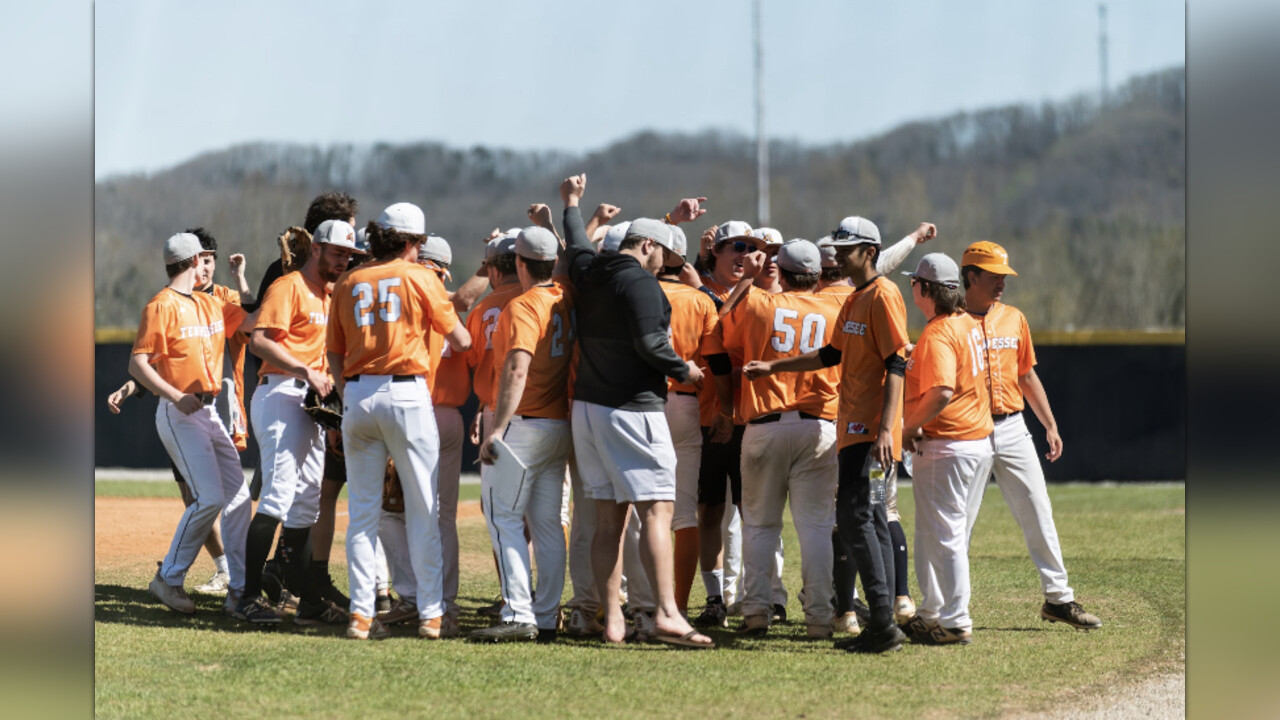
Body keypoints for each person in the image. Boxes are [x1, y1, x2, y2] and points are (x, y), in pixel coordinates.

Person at [559, 173, 713, 648]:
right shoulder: (644, 286)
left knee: (608, 519)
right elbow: (650, 344)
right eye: (664, 255)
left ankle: (613, 620)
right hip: (633, 408)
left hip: (587, 406)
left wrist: (571, 202)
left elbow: (578, 240)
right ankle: (667, 612)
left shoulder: (590, 272)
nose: (665, 265)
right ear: (647, 245)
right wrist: (684, 370)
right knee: (658, 509)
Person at [742, 219, 910, 654]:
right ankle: (881, 621)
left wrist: (887, 430)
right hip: (847, 428)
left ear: (870, 251)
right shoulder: (854, 300)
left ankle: (883, 623)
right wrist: (772, 368)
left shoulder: (884, 294)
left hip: (868, 431)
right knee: (866, 518)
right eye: (836, 248)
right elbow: (829, 354)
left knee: (858, 518)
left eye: (848, 248)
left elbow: (897, 363)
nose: (837, 254)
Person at [327, 202, 472, 640]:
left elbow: (333, 351)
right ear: (414, 242)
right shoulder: (421, 277)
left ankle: (360, 615)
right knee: (424, 509)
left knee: (362, 516)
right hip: (407, 393)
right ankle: (430, 614)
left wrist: (345, 391)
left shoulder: (349, 280)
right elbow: (461, 340)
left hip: (357, 393)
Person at [960, 241, 1102, 630]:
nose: (1002, 283)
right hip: (968, 429)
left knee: (1039, 510)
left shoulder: (1013, 318)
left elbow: (1025, 374)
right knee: (962, 523)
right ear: (972, 277)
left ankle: (1059, 599)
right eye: (994, 276)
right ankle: (952, 609)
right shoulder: (951, 322)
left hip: (1013, 428)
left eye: (1004, 276)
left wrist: (1050, 424)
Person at [235, 219, 361, 625]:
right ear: (317, 249)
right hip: (280, 394)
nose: (345, 260)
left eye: (350, 255)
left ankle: (306, 600)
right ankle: (248, 598)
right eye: (338, 252)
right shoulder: (288, 286)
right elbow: (258, 339)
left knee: (306, 504)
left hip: (311, 402)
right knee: (276, 496)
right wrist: (307, 371)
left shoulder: (330, 296)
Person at [719, 240, 842, 639]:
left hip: (765, 425)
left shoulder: (759, 303)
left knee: (758, 525)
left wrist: (750, 278)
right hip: (819, 427)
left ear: (782, 274)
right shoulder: (834, 307)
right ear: (818, 274)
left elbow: (721, 322)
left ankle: (755, 611)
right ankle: (821, 618)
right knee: (817, 527)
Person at [129, 232, 256, 614]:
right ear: (192, 260)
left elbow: (253, 322)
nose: (207, 265)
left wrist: (281, 277)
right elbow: (138, 362)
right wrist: (173, 395)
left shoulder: (209, 301)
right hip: (179, 412)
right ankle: (168, 580)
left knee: (237, 497)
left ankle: (239, 588)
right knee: (210, 498)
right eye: (203, 258)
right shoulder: (161, 305)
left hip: (210, 410)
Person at [471, 226, 575, 643]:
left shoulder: (522, 305)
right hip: (558, 423)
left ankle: (518, 612)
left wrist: (496, 429)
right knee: (548, 525)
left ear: (518, 263)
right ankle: (547, 616)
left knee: (504, 518)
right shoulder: (565, 296)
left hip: (524, 424)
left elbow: (516, 368)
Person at [898, 253, 995, 646]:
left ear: (925, 289)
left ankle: (955, 620)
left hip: (948, 443)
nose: (912, 288)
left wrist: (908, 426)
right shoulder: (965, 323)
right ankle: (932, 612)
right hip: (975, 441)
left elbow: (940, 391)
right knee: (937, 532)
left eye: (915, 283)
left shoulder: (938, 333)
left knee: (946, 533)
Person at [655, 226, 719, 616]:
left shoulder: (637, 291)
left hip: (644, 402)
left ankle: (644, 600)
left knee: (638, 508)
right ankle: (675, 605)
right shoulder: (700, 301)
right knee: (684, 513)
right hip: (687, 403)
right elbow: (716, 363)